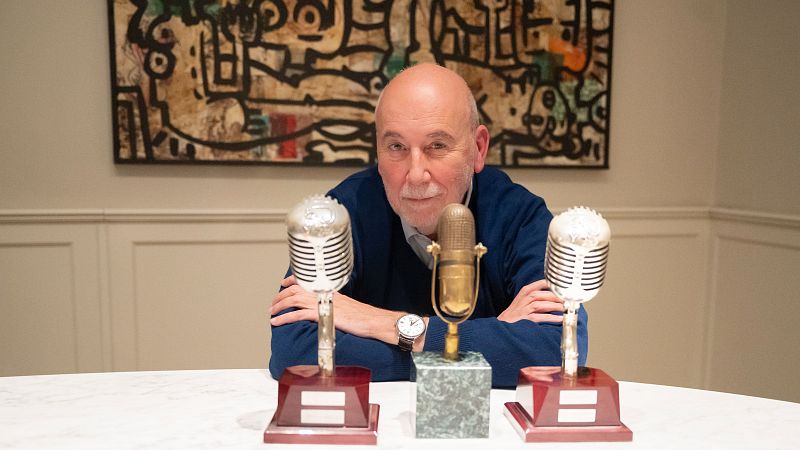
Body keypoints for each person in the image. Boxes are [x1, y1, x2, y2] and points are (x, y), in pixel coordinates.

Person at [268, 63, 588, 388]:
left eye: (437, 146)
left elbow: (556, 350)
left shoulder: (520, 216)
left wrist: (388, 325)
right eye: (397, 147)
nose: (416, 174)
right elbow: (295, 351)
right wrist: (477, 343)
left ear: (478, 149)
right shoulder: (344, 213)